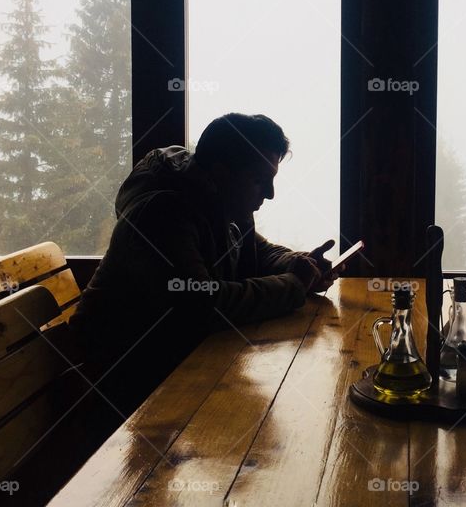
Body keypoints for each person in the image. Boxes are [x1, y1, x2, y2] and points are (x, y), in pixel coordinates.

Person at [70, 113, 340, 414]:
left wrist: (299, 263)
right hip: (114, 384)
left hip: (170, 363)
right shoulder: (161, 214)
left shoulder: (222, 203)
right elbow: (201, 306)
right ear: (222, 173)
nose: (270, 194)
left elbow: (259, 251)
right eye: (259, 180)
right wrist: (294, 284)